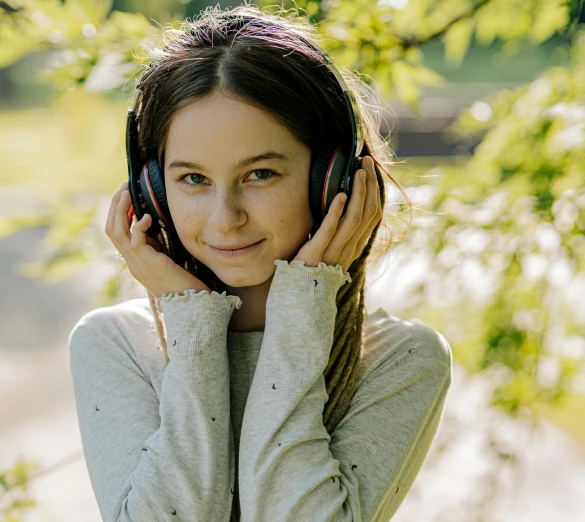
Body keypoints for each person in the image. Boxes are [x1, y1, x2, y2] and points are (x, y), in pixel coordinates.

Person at [68, 4, 453, 522]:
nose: (225, 218)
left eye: (261, 174)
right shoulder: (113, 346)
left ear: (332, 178)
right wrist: (193, 319)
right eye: (193, 180)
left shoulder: (402, 359)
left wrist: (305, 303)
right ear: (152, 193)